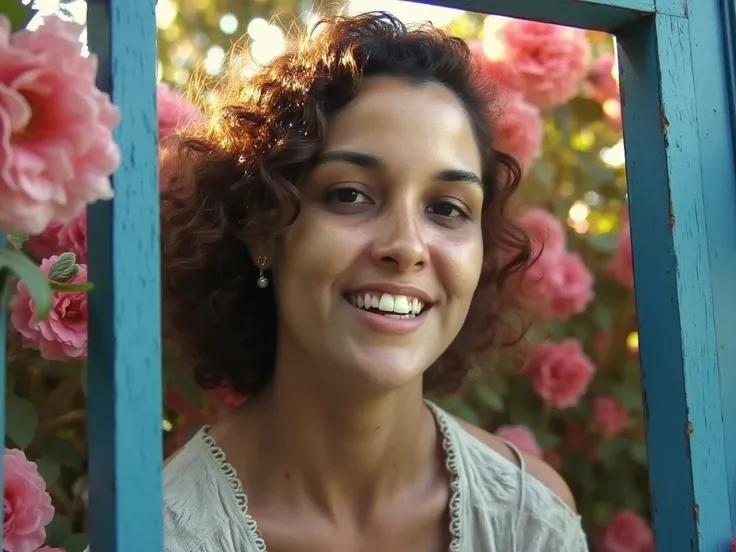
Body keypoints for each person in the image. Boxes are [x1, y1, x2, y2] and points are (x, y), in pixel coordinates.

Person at [160, 11, 588, 552]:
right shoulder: (161, 535)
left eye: (447, 208)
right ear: (262, 229)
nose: (407, 246)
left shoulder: (531, 522)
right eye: (350, 195)